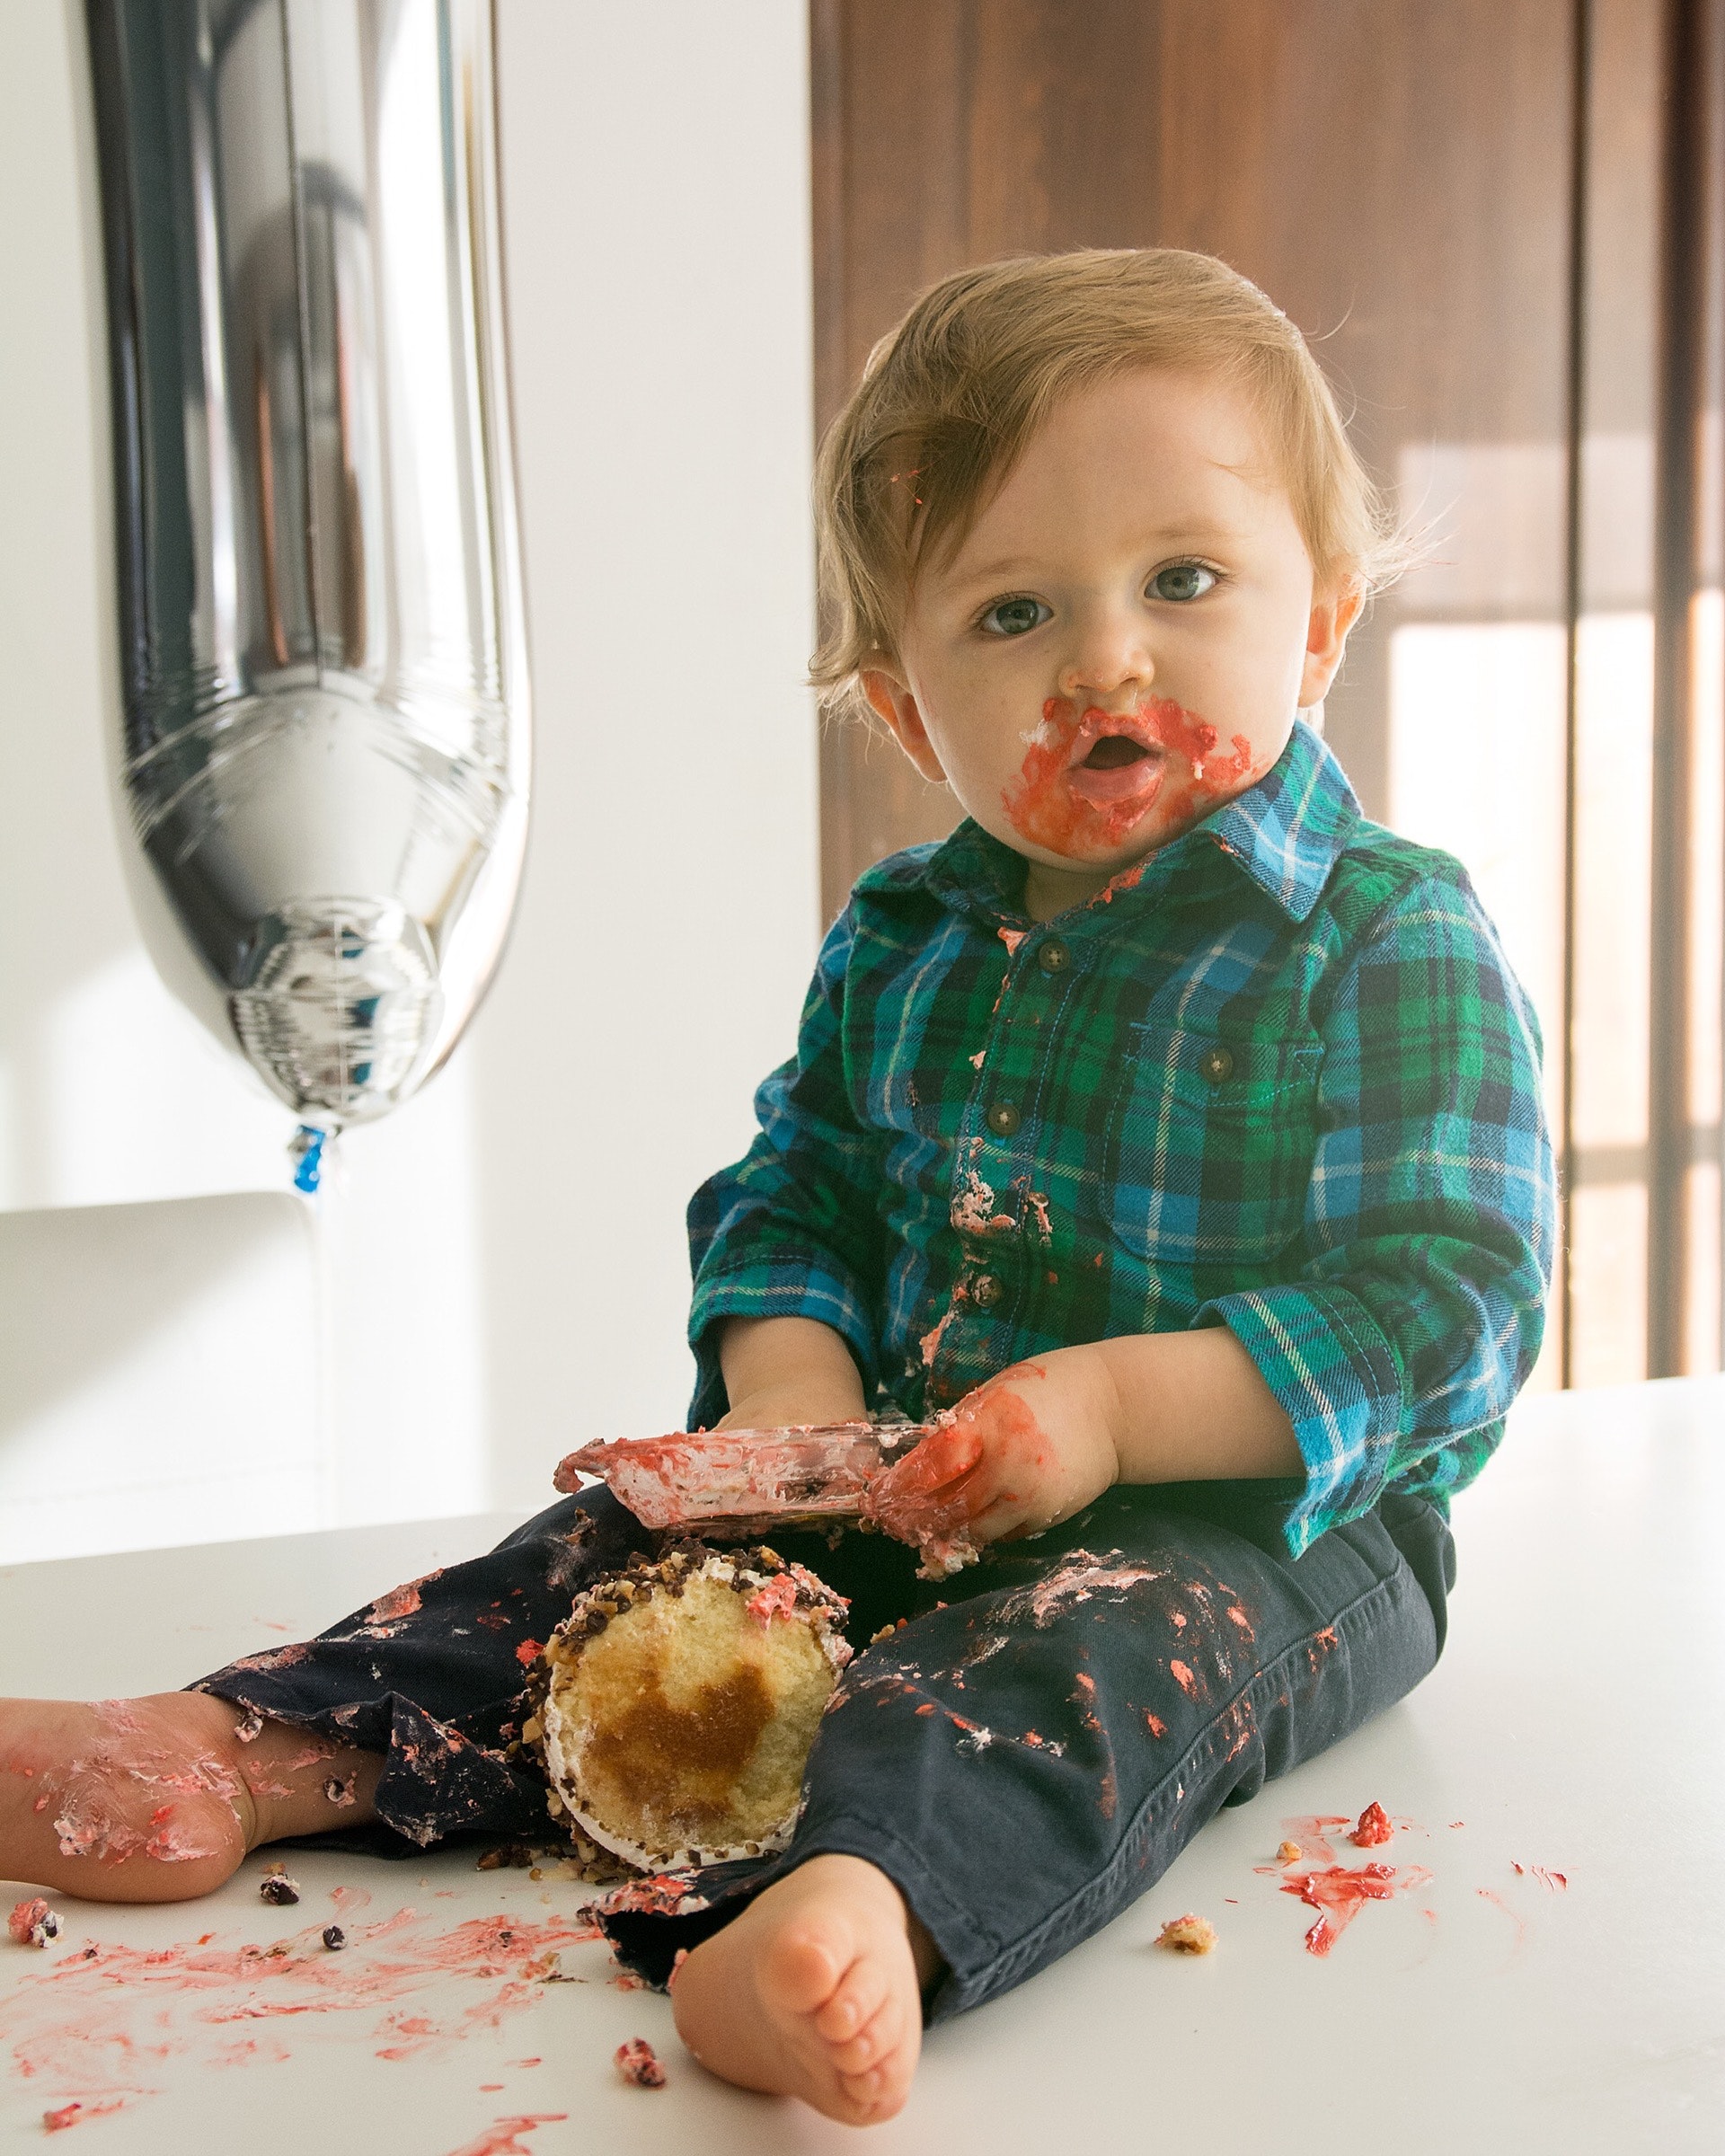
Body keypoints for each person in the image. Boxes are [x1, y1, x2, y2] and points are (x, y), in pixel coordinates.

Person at [0, 250, 1554, 2127]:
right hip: (904, 1475)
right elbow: (794, 1185)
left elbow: (1447, 1307)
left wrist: (1114, 1409)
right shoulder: (904, 935)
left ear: (1320, 625)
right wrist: (791, 1399)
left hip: (1265, 1526)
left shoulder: (1384, 936)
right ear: (907, 710)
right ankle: (249, 1749)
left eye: (1186, 580)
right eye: (1010, 613)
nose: (1104, 659)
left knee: (1067, 1669)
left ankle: (855, 1903)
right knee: (585, 1577)